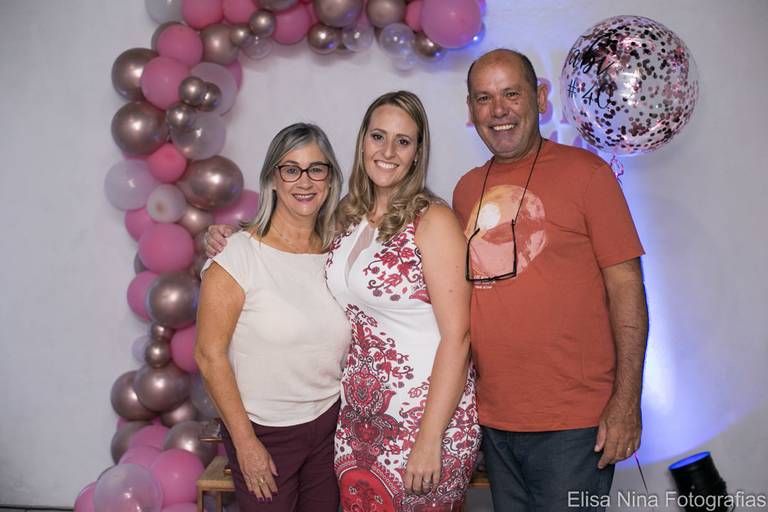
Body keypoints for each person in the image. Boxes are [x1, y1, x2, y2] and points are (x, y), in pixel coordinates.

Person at [205, 91, 481, 511]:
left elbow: (458, 337)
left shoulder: (433, 220)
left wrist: (430, 437)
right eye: (378, 136)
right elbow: (282, 251)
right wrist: (223, 237)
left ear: (417, 153)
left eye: (403, 141)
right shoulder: (348, 219)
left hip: (422, 419)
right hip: (356, 422)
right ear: (362, 142)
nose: (387, 152)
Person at [452, 48, 649, 511]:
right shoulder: (465, 189)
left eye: (511, 94)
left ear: (539, 98)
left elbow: (628, 288)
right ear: (471, 110)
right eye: (484, 98)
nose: (498, 110)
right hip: (495, 420)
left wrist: (626, 401)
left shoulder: (589, 174)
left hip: (574, 424)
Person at [194, 123, 352, 512]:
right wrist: (245, 443)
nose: (305, 181)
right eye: (291, 169)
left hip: (329, 426)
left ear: (330, 179)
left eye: (317, 169)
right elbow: (208, 357)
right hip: (264, 432)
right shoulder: (237, 254)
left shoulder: (338, 254)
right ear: (272, 179)